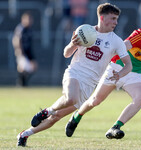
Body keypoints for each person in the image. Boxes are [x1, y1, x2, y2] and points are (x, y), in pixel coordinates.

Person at [17, 3, 132, 147]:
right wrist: (72, 45)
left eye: (117, 19)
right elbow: (66, 54)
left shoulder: (116, 41)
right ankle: (46, 111)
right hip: (74, 73)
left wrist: (119, 75)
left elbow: (128, 65)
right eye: (113, 18)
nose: (116, 22)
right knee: (71, 98)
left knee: (56, 117)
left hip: (89, 85)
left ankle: (24, 134)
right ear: (102, 18)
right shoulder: (84, 31)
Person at [12, 12, 37, 86]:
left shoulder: (29, 29)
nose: (29, 21)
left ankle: (23, 82)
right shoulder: (20, 28)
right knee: (22, 67)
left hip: (28, 51)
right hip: (22, 51)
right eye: (28, 19)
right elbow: (16, 39)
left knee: (33, 67)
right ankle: (21, 83)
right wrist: (19, 50)